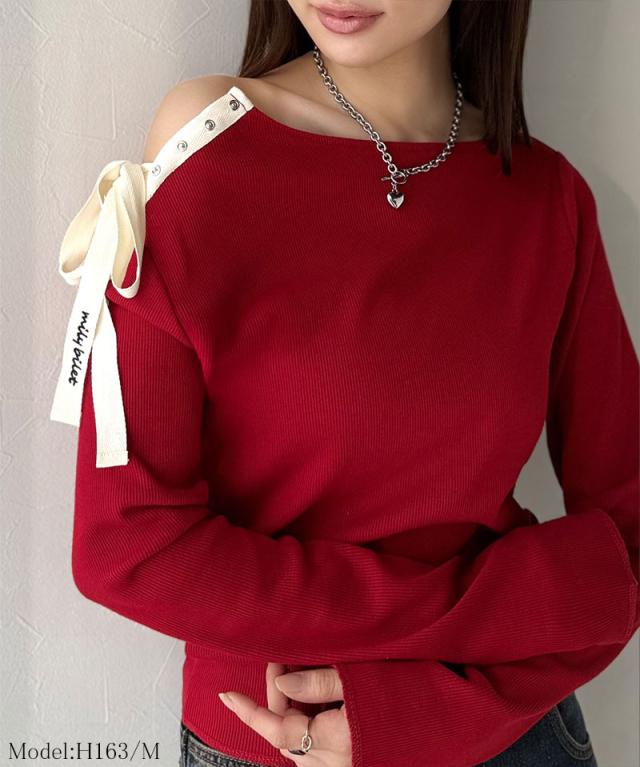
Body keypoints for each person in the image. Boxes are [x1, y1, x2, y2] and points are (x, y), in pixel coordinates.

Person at [49, 1, 639, 766]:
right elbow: (127, 544)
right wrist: (484, 611)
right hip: (272, 744)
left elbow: (628, 540)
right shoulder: (205, 143)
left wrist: (426, 712)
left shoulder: (546, 198)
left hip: (517, 740)